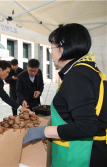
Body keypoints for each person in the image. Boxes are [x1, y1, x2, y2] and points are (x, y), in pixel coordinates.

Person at [22, 23, 107, 167]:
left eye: (52, 48)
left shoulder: (78, 76)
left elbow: (86, 127)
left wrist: (43, 131)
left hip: (81, 155)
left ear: (63, 48)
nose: (51, 52)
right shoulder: (87, 70)